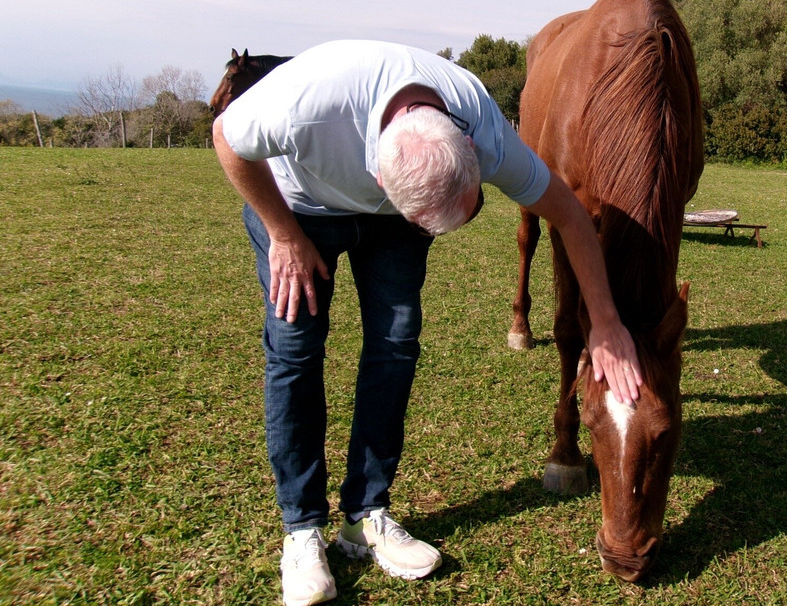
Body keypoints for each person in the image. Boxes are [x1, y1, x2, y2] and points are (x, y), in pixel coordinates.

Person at [212, 39, 643, 606]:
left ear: (470, 151)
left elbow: (568, 215)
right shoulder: (309, 101)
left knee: (394, 346)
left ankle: (366, 516)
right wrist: (284, 234)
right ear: (379, 178)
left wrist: (607, 322)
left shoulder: (484, 128)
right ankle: (302, 532)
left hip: (395, 224)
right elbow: (227, 138)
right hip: (300, 208)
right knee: (296, 351)